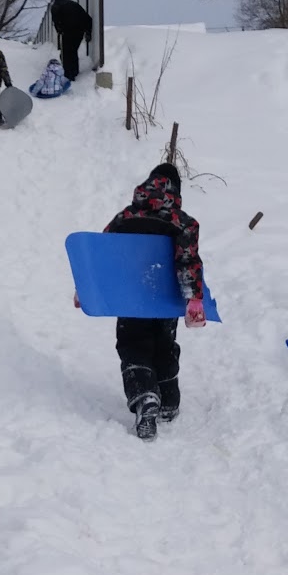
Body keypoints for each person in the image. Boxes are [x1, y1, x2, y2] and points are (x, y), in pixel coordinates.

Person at [86, 162, 206, 441]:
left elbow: (102, 255)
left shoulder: (125, 217)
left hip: (130, 298)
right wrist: (194, 298)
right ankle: (168, 400)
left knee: (133, 345)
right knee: (164, 344)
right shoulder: (183, 223)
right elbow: (188, 260)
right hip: (165, 300)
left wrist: (88, 288)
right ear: (176, 191)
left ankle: (145, 397)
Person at [50, 0, 93, 81]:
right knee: (73, 51)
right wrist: (88, 32)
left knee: (67, 52)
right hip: (79, 31)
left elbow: (56, 22)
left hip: (68, 31)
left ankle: (68, 75)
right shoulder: (75, 5)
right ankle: (74, 72)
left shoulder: (55, 7)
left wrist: (59, 30)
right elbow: (87, 18)